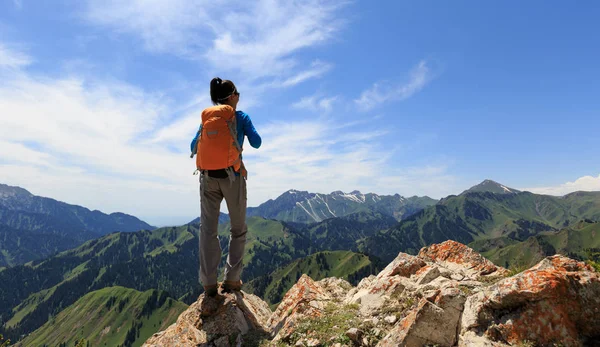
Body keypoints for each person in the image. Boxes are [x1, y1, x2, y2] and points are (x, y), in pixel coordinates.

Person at [197, 77, 261, 297]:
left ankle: (208, 284)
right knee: (238, 229)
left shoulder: (207, 119)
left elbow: (192, 145)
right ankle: (232, 280)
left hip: (207, 179)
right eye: (238, 94)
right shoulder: (240, 117)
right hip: (232, 177)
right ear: (233, 96)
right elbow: (257, 142)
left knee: (207, 230)